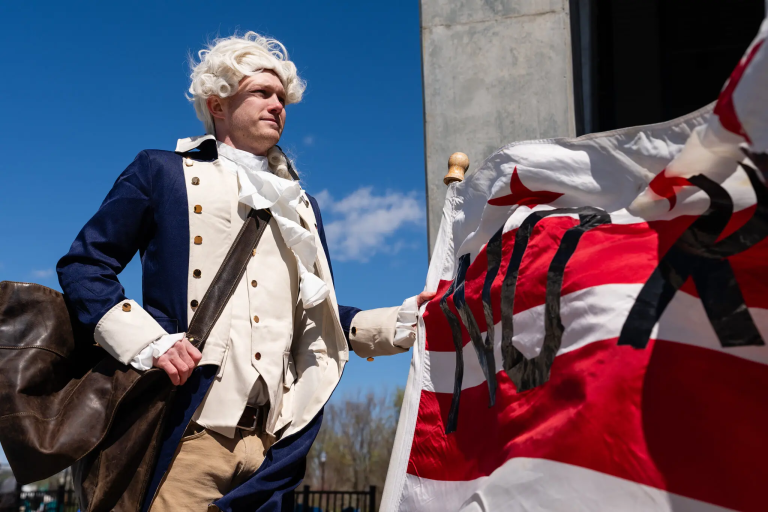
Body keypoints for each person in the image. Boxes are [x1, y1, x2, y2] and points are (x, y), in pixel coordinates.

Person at [56, 31, 434, 512]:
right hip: (185, 438)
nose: (277, 105)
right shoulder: (161, 172)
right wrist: (151, 343)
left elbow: (316, 314)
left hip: (270, 454)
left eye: (282, 98)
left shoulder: (303, 206)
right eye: (262, 92)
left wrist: (403, 322)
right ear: (217, 104)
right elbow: (85, 266)